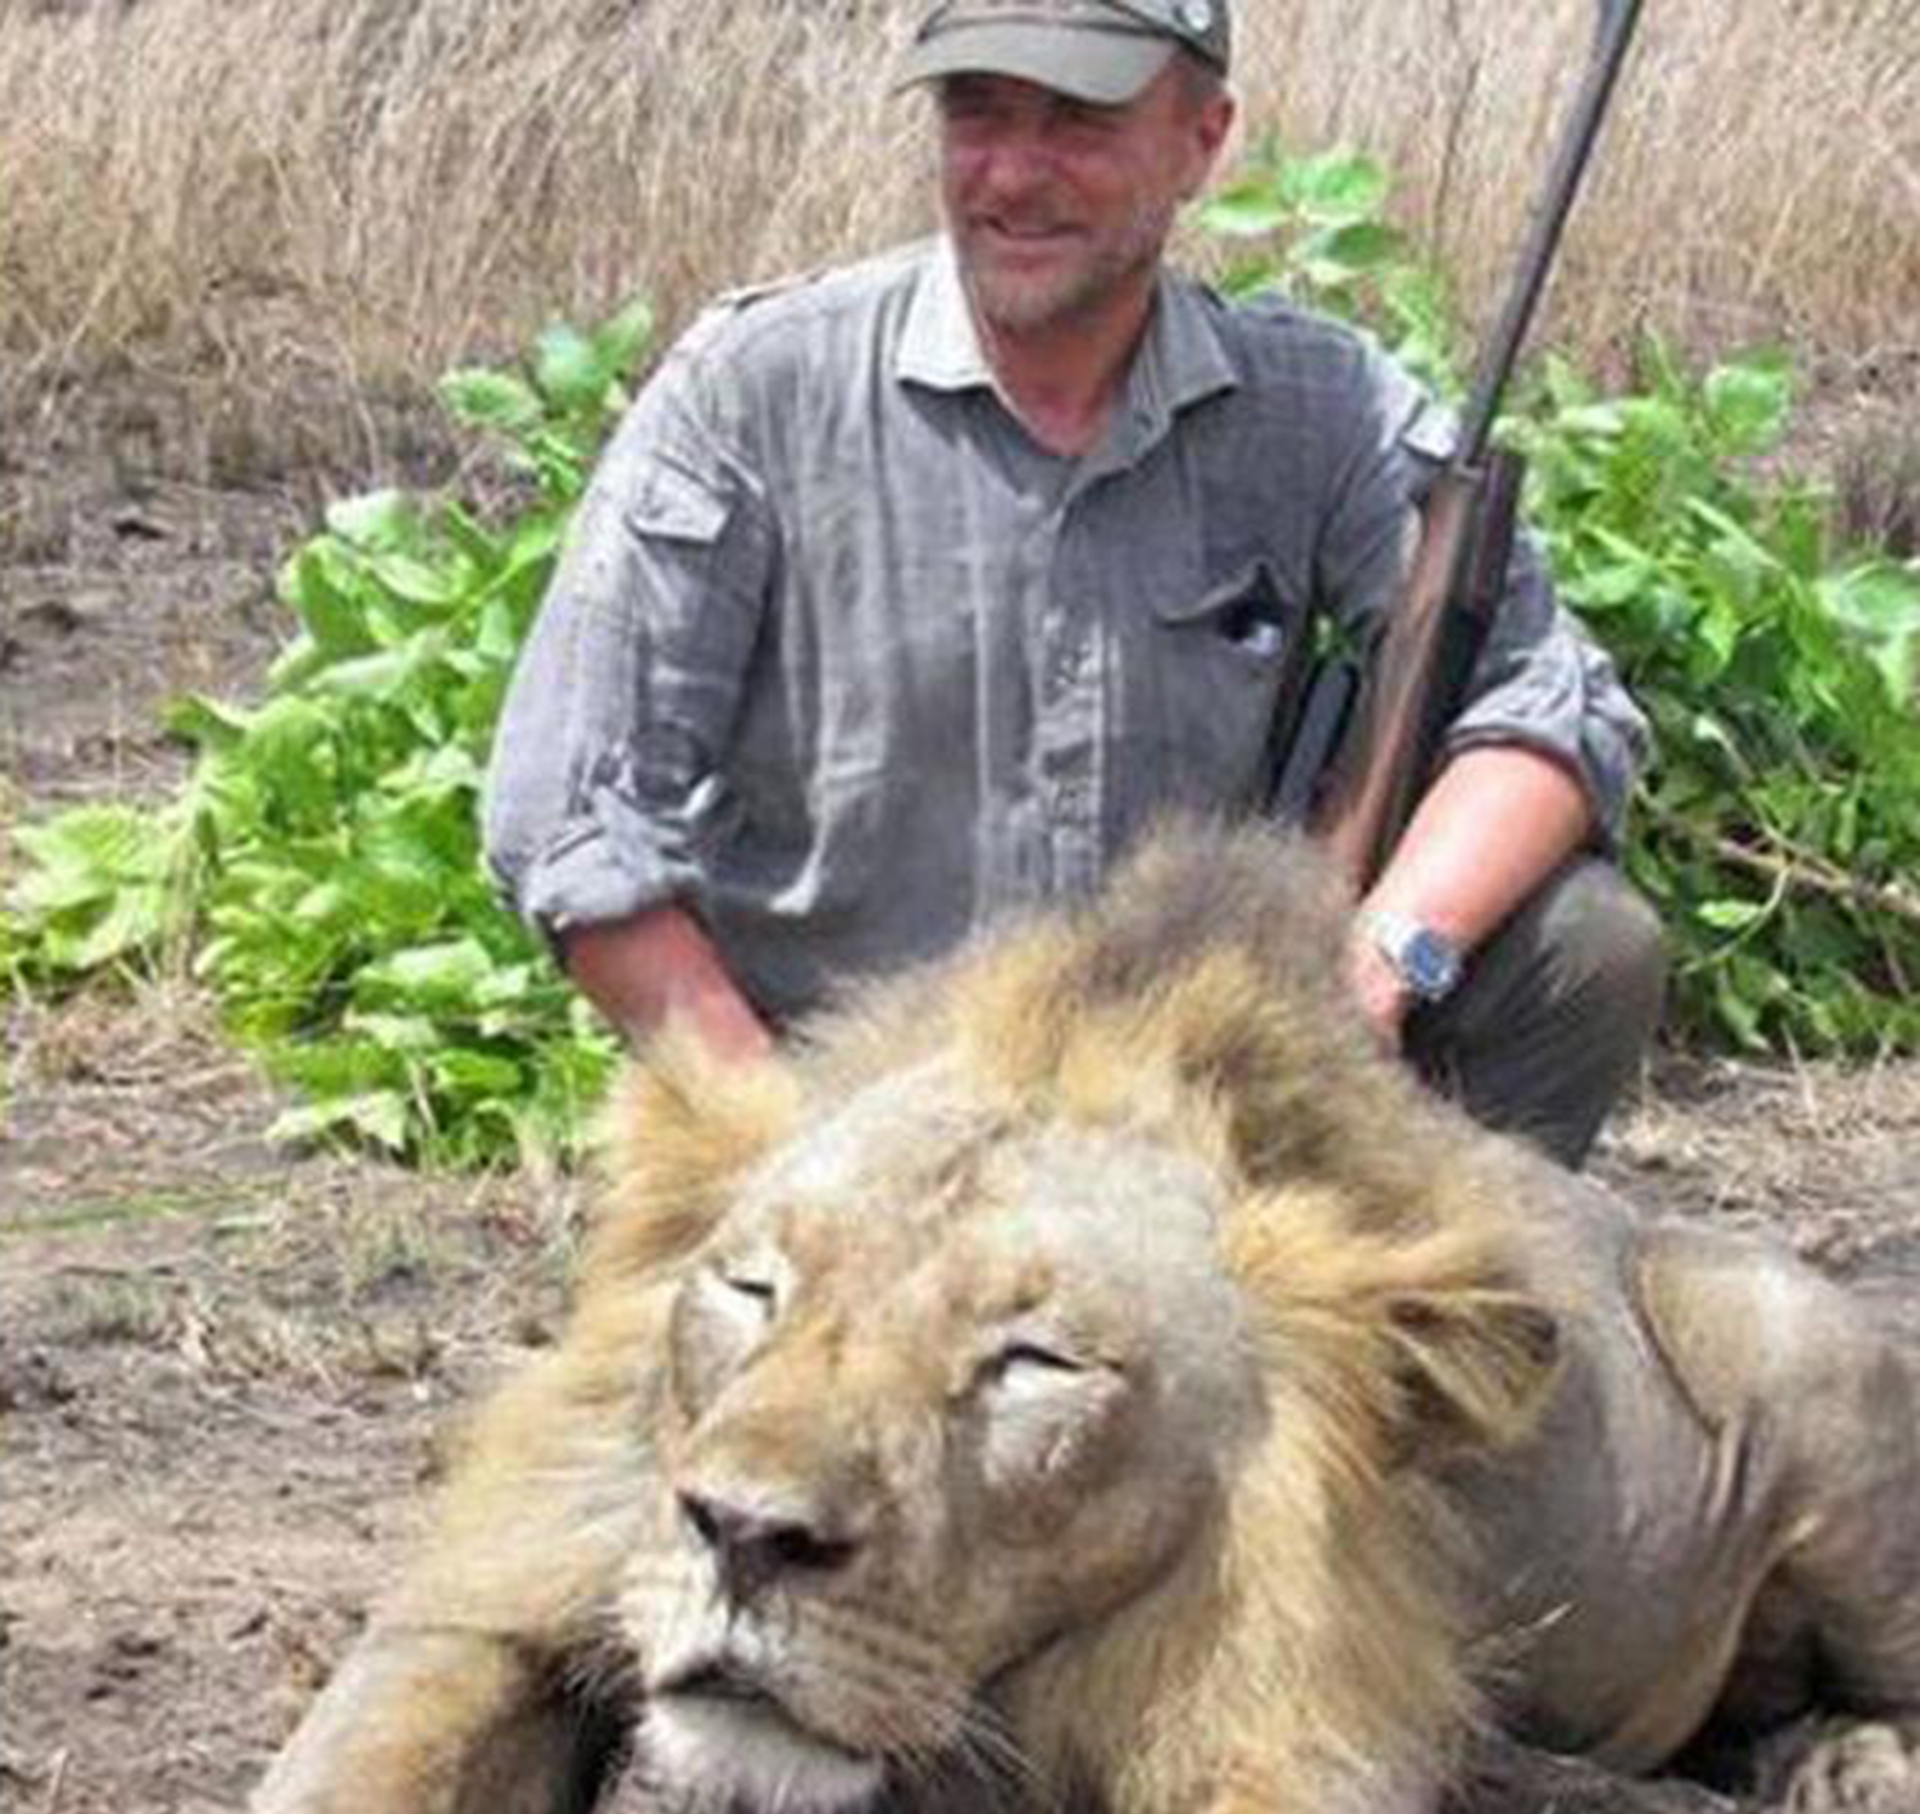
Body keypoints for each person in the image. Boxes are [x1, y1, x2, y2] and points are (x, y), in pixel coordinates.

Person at [484, 0, 1664, 1167]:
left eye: (1077, 120)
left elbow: (1551, 701)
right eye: (977, 113)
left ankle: (1384, 1333)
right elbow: (569, 814)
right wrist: (786, 1152)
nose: (1013, 174)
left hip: (1186, 1091)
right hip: (852, 1097)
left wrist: (1379, 967)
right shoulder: (754, 391)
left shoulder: (1319, 407)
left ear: (1204, 139)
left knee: (1584, 946)